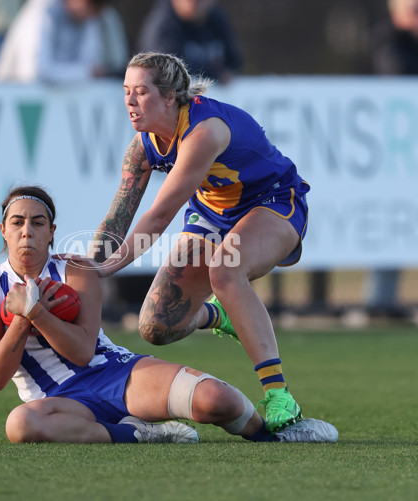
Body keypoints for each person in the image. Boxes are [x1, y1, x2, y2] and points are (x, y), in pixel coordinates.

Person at [0, 185, 338, 444]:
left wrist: (34, 311)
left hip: (115, 374)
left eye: (37, 222)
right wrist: (20, 320)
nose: (26, 231)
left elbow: (81, 352)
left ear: (51, 233)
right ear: (3, 230)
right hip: (58, 402)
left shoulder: (77, 271)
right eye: (17, 222)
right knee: (20, 424)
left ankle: (274, 434)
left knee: (215, 401)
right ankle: (142, 434)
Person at [67, 52, 313, 433]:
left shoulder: (204, 131)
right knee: (156, 326)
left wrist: (110, 267)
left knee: (226, 269)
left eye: (141, 92)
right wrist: (84, 271)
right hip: (213, 214)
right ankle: (221, 314)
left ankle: (278, 392)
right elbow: (119, 214)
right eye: (126, 91)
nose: (130, 101)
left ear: (169, 97)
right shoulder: (142, 146)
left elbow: (160, 215)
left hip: (273, 201)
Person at [367, 0, 418, 317]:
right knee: (391, 232)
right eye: (412, 8)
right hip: (395, 160)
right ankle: (379, 306)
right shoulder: (385, 38)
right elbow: (398, 71)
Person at [0, 0, 129, 84]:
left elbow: (90, 61)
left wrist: (87, 72)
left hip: (52, 106)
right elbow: (35, 73)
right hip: (12, 104)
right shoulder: (41, 11)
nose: (94, 17)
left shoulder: (89, 20)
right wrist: (87, 73)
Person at [137, 0, 242, 84]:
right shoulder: (163, 27)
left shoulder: (218, 20)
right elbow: (170, 71)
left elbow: (234, 60)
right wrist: (216, 75)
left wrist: (227, 72)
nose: (194, 2)